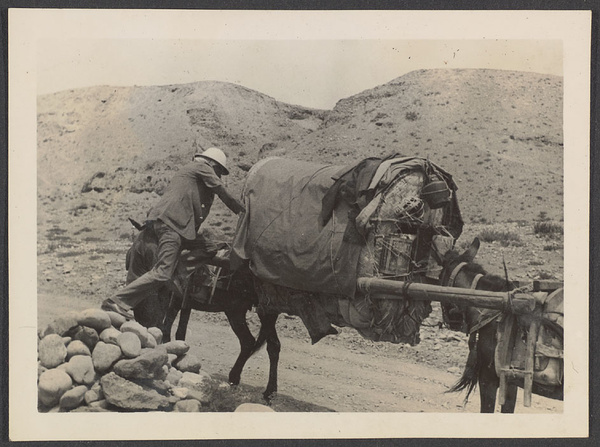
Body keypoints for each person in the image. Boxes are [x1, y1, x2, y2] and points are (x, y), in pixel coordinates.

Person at [101, 147, 246, 318]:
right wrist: (243, 211)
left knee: (210, 247)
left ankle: (178, 272)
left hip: (181, 229)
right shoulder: (201, 168)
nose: (219, 176)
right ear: (212, 164)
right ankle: (116, 301)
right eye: (219, 171)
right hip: (172, 227)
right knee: (162, 272)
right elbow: (222, 190)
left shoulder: (189, 174)